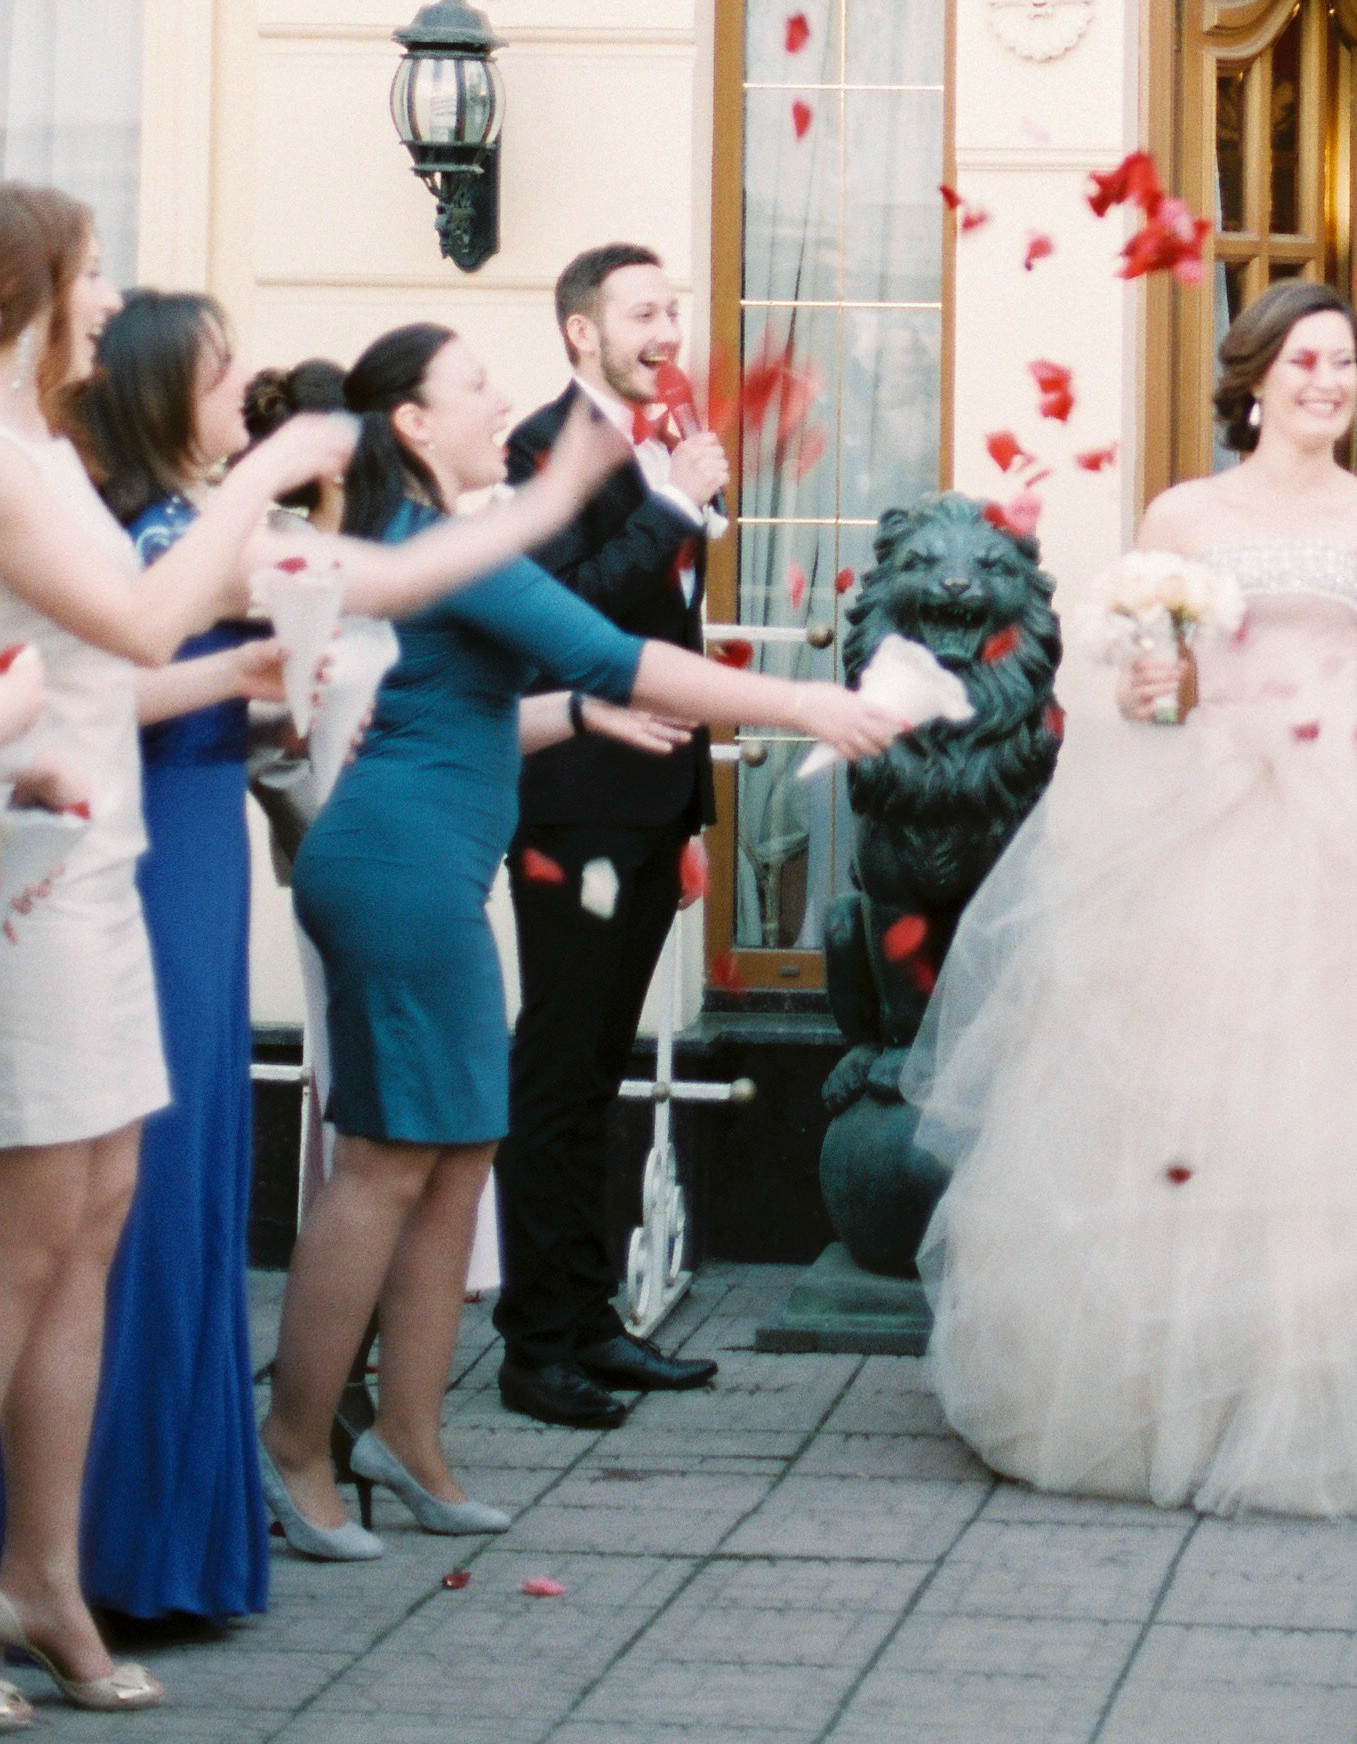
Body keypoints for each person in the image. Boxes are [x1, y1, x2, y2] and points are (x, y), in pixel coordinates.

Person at [907, 278, 1357, 1520]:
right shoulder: (1184, 515)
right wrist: (1149, 682)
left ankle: (1346, 1382)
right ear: (1255, 375)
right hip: (1206, 812)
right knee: (1187, 1096)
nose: (1326, 380)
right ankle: (1176, 1387)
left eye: (1345, 362)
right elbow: (1164, 693)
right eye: (1303, 359)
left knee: (1350, 1102)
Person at [259, 324, 904, 1562]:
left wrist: (591, 710)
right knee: (387, 1165)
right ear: (414, 424)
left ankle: (409, 1438)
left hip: (420, 866)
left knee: (456, 1152)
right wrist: (803, 699)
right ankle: (297, 1448)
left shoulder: (434, 540)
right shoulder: (444, 540)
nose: (497, 395)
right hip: (396, 873)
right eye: (473, 383)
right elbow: (616, 646)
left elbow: (476, 709)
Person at [0, 189, 499, 1711]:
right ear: (31, 288)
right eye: (88, 280)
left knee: (100, 1216)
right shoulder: (21, 464)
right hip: (39, 882)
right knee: (27, 1248)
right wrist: (271, 474)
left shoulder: (41, 453)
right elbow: (145, 627)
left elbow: (109, 654)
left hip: (104, 861)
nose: (107, 305)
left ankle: (47, 1577)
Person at [70, 295, 293, 1630]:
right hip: (150, 868)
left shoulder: (183, 521)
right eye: (225, 370)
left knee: (198, 1177)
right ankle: (119, 1543)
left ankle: (163, 1539)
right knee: (149, 1189)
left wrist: (275, 702)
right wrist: (247, 675)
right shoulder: (152, 531)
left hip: (202, 846)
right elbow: (113, 684)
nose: (246, 383)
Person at [493, 245, 727, 1433]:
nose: (667, 326)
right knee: (557, 1065)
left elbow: (670, 622)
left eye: (672, 308)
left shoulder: (662, 432)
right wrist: (681, 499)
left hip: (644, 802)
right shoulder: (543, 443)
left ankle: (590, 1321)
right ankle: (534, 1344)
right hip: (575, 801)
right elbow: (569, 607)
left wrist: (690, 811)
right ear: (581, 330)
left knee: (596, 1070)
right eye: (645, 310)